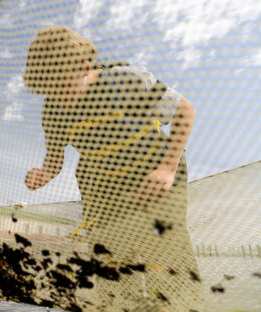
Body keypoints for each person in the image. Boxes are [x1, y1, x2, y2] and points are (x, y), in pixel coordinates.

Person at [23, 26, 202, 310]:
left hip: (156, 170)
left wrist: (167, 169)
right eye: (49, 90)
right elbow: (54, 160)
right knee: (110, 262)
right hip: (107, 184)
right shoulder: (52, 112)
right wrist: (43, 174)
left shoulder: (125, 80)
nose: (59, 98)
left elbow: (184, 111)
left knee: (166, 257)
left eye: (62, 86)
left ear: (84, 66)